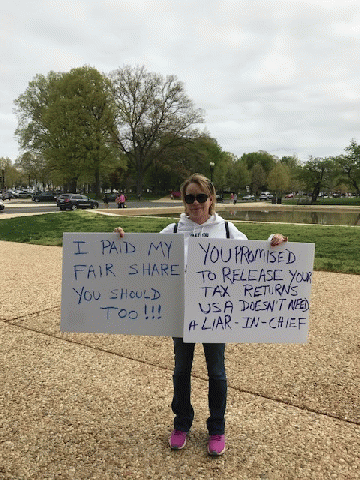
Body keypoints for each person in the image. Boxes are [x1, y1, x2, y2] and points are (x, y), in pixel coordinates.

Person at [114, 173, 287, 457]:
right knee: (181, 371)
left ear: (211, 199)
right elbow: (142, 257)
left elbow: (255, 255)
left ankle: (216, 428)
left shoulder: (228, 230)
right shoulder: (172, 231)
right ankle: (181, 423)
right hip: (181, 313)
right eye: (189, 197)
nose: (195, 203)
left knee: (216, 373)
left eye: (201, 197)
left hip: (215, 315)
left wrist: (274, 241)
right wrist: (122, 242)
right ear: (183, 200)